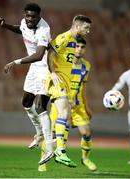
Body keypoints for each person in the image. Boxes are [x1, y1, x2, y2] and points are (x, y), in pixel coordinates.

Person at [0, 2, 53, 164]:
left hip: (46, 68)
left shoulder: (44, 30)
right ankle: (39, 133)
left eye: (33, 17)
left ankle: (49, 148)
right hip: (34, 69)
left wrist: (15, 62)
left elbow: (39, 55)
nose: (29, 19)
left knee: (41, 106)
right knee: (26, 102)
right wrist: (5, 25)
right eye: (27, 15)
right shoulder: (24, 22)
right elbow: (21, 29)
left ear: (39, 17)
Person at [38, 36, 97, 172]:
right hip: (62, 101)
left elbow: (84, 87)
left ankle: (85, 158)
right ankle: (43, 160)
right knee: (51, 134)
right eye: (77, 46)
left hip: (78, 104)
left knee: (87, 133)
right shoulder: (64, 62)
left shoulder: (86, 65)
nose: (79, 49)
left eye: (82, 47)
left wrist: (86, 106)